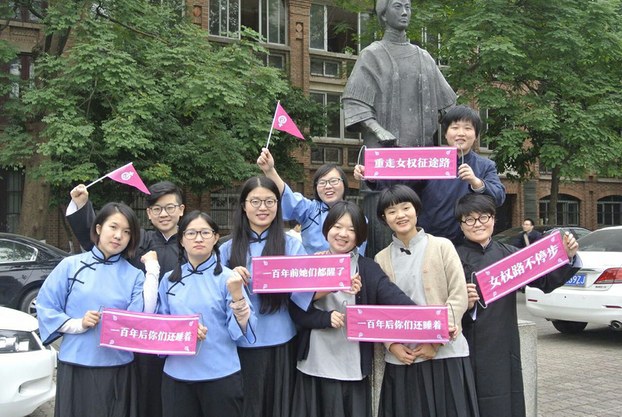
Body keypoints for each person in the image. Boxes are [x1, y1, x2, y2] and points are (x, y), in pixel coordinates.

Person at [454, 193, 581, 417]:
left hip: (503, 345)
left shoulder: (510, 255)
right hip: (465, 346)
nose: (478, 224)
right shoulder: (451, 257)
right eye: (469, 219)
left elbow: (545, 281)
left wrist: (567, 256)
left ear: (493, 219)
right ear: (461, 224)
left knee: (504, 403)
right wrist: (462, 301)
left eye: (483, 217)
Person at [66, 181, 185, 417]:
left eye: (170, 207)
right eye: (157, 208)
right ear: (149, 213)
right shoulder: (136, 242)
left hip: (177, 335)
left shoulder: (193, 241)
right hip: (138, 336)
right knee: (140, 395)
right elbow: (99, 241)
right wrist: (82, 206)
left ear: (181, 210)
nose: (164, 214)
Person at [289, 201, 415, 417]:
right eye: (337, 226)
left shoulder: (368, 269)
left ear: (360, 236)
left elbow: (396, 300)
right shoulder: (310, 264)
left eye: (352, 229)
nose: (343, 234)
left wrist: (431, 320)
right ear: (327, 228)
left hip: (352, 364)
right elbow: (295, 311)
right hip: (314, 362)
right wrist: (325, 318)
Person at [37, 202, 159, 417]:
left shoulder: (134, 275)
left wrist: (152, 272)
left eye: (127, 232)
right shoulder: (71, 266)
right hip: (76, 363)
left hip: (118, 366)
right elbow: (46, 306)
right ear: (99, 228)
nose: (118, 236)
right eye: (113, 227)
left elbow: (139, 318)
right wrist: (78, 324)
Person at [374, 185, 479, 417]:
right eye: (391, 211)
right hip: (404, 357)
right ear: (384, 218)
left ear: (416, 210)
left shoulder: (442, 246)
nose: (400, 215)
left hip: (445, 352)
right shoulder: (380, 259)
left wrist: (437, 340)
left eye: (405, 207)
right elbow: (379, 310)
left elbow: (458, 294)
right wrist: (392, 345)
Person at [219, 176, 312, 417]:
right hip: (239, 344)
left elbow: (306, 292)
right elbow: (215, 296)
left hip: (281, 342)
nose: (263, 208)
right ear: (243, 205)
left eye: (270, 201)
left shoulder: (292, 246)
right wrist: (231, 279)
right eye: (256, 201)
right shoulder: (226, 249)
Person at [355, 105, 506, 246]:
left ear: (475, 135)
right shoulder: (429, 159)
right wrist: (372, 175)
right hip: (428, 241)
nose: (461, 133)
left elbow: (499, 196)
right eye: (455, 128)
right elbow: (400, 184)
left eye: (467, 128)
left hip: (468, 243)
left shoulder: (485, 166)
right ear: (446, 134)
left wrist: (476, 182)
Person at [157, 211, 256, 417]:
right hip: (177, 375)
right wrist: (183, 331)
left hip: (221, 374)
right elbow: (159, 326)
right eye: (191, 233)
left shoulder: (229, 279)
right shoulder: (168, 280)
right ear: (182, 239)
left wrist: (238, 297)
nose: (199, 238)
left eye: (205, 232)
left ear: (216, 237)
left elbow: (244, 330)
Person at [257, 147, 365, 255]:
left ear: (344, 184)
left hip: (346, 269)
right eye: (322, 182)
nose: (328, 186)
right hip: (311, 268)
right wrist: (270, 170)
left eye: (333, 181)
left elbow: (359, 253)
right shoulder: (310, 209)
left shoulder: (357, 216)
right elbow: (288, 197)